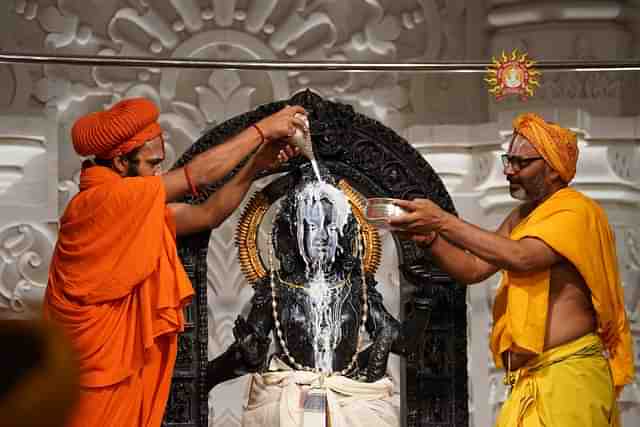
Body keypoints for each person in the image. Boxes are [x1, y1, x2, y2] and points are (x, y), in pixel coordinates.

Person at [43, 97, 307, 427]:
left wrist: (256, 165)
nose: (159, 173)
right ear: (122, 163)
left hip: (117, 371)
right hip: (93, 376)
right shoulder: (108, 199)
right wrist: (263, 130)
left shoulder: (132, 207)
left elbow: (207, 214)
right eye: (152, 164)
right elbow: (196, 175)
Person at [389, 112, 635, 426]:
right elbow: (474, 268)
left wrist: (442, 220)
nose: (508, 170)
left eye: (521, 163)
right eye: (508, 160)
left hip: (568, 377)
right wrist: (431, 240)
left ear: (553, 169)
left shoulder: (576, 210)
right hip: (531, 379)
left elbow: (522, 257)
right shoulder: (522, 217)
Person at [206, 167, 402, 427]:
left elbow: (401, 341)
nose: (322, 235)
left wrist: (421, 307)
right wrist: (246, 355)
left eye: (330, 225)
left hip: (352, 397)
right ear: (291, 232)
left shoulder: (356, 286)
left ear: (344, 230)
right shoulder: (275, 288)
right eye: (312, 225)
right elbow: (245, 356)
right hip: (287, 394)